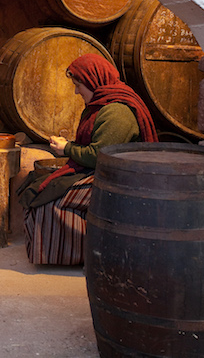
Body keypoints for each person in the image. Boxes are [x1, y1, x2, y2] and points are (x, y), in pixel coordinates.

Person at [17, 53, 158, 265]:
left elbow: (99, 156)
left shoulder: (116, 112)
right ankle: (66, 252)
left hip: (117, 180)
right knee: (38, 184)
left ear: (94, 81)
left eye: (78, 85)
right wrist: (69, 147)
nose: (75, 91)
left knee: (50, 198)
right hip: (102, 172)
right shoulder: (102, 105)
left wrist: (67, 149)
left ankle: (83, 255)